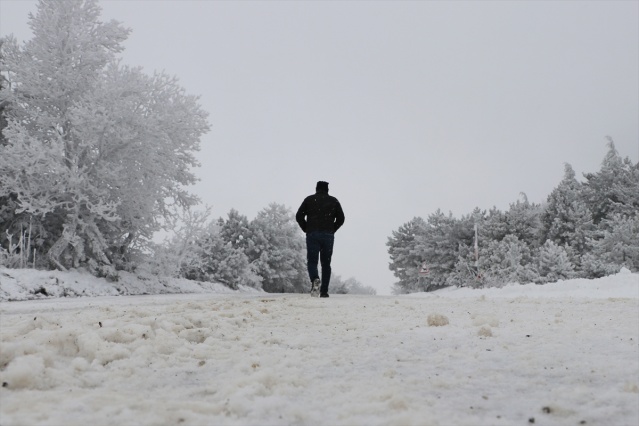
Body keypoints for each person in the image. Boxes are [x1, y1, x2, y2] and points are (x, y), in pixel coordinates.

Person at [295, 181, 345, 298]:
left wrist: (306, 228)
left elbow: (299, 216)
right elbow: (341, 218)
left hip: (313, 234)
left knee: (312, 261)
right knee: (326, 263)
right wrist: (332, 229)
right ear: (327, 189)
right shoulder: (334, 201)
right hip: (328, 236)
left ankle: (315, 279)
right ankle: (324, 292)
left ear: (316, 189)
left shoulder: (309, 200)